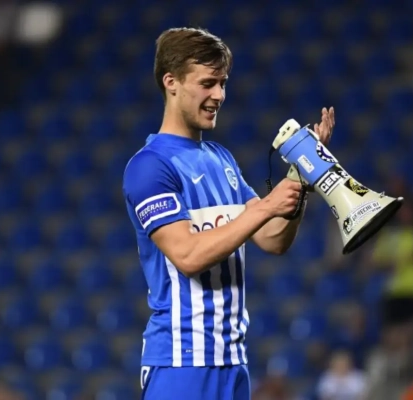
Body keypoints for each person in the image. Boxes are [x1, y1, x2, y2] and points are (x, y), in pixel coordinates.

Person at [122, 27, 335, 400]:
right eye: (207, 83)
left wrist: (301, 177)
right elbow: (188, 255)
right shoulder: (150, 167)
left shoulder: (221, 159)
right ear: (171, 83)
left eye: (222, 83)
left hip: (233, 362)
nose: (219, 95)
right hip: (182, 363)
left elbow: (272, 238)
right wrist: (267, 205)